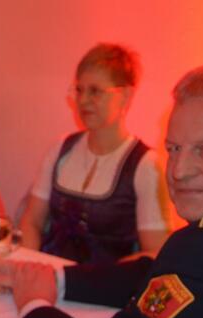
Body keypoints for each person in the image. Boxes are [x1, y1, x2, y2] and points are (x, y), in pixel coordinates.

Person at [0, 62, 203, 318]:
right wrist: (55, 278)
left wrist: (33, 306)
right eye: (173, 148)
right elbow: (153, 273)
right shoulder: (201, 247)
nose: (179, 170)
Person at [18, 43, 171, 264]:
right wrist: (30, 262)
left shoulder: (144, 165)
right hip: (49, 276)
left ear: (126, 95)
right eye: (79, 90)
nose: (83, 100)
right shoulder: (61, 149)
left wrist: (99, 278)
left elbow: (155, 253)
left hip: (107, 283)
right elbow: (32, 221)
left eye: (95, 91)